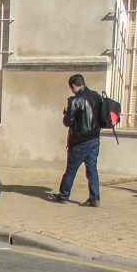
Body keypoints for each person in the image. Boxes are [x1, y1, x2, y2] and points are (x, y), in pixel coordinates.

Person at [53, 74, 104, 207]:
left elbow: (67, 122)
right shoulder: (96, 96)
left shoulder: (76, 100)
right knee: (92, 169)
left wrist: (66, 112)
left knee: (71, 170)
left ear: (74, 86)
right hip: (94, 139)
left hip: (79, 141)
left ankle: (63, 195)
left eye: (72, 88)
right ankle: (94, 198)